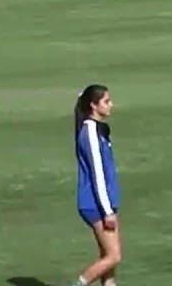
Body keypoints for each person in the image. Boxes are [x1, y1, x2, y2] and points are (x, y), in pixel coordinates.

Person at [72, 85, 121, 286]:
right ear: (93, 105)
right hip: (96, 204)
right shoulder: (90, 133)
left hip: (104, 202)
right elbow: (97, 175)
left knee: (108, 263)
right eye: (106, 101)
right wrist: (107, 211)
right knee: (113, 256)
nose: (111, 105)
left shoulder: (99, 130)